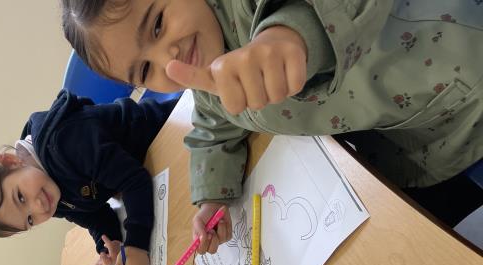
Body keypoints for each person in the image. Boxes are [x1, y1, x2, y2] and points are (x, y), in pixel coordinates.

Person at [61, 0, 483, 251]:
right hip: (407, 139)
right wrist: (212, 196)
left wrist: (291, 34)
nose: (168, 60)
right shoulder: (200, 69)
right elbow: (214, 120)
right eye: (145, 70)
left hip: (461, 82)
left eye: (157, 24)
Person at [0, 89, 177, 265]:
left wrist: (137, 243)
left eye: (21, 197)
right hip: (154, 172)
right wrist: (109, 245)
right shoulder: (48, 192)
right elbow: (94, 215)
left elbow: (133, 180)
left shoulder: (64, 144)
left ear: (11, 162)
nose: (39, 207)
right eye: (30, 220)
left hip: (166, 131)